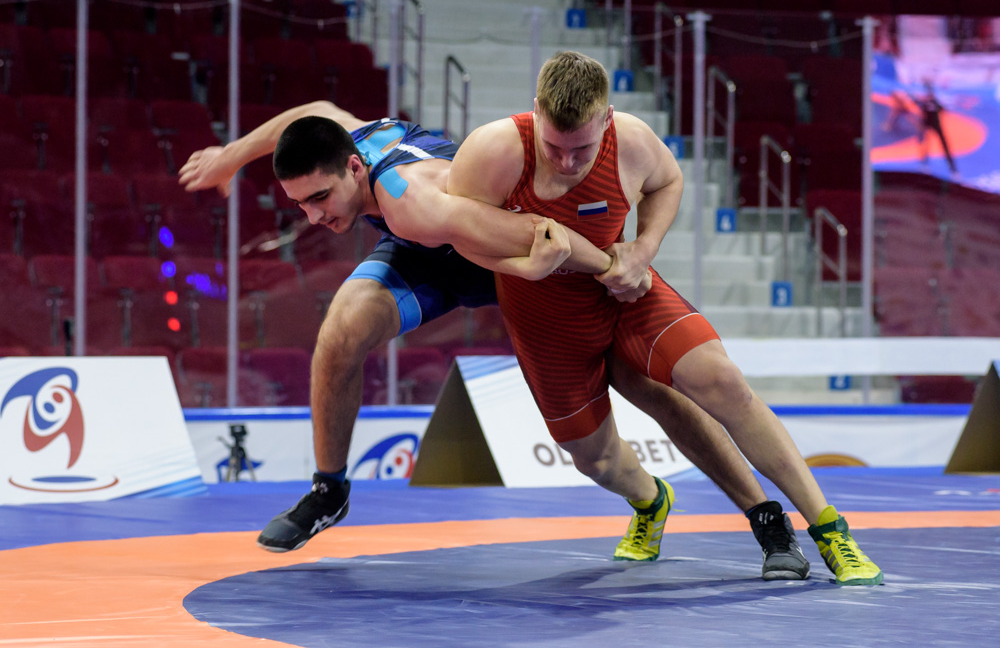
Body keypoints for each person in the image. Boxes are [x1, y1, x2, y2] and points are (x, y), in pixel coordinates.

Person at [179, 100, 810, 581]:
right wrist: (232, 156)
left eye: (320, 199)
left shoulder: (412, 194)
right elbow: (310, 113)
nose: (314, 217)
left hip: (519, 257)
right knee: (341, 330)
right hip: (431, 250)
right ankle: (330, 491)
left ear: (353, 168)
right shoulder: (355, 140)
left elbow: (539, 237)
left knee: (643, 386)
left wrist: (621, 266)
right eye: (301, 205)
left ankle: (764, 516)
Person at [446, 51, 882, 586]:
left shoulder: (629, 139)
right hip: (545, 322)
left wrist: (643, 249)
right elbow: (456, 234)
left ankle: (831, 531)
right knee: (595, 460)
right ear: (536, 111)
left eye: (582, 149)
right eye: (554, 148)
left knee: (722, 381)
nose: (567, 162)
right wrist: (523, 267)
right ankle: (651, 501)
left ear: (607, 119)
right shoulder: (492, 151)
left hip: (622, 293)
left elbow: (668, 181)